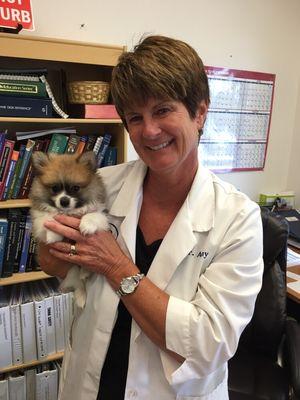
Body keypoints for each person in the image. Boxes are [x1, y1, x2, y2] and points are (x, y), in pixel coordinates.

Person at [38, 35, 263, 400]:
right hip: (91, 383)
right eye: (135, 118)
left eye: (162, 110)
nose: (150, 131)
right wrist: (53, 249)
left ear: (200, 112)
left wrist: (116, 266)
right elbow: (52, 264)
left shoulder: (238, 218)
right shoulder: (100, 186)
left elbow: (208, 345)